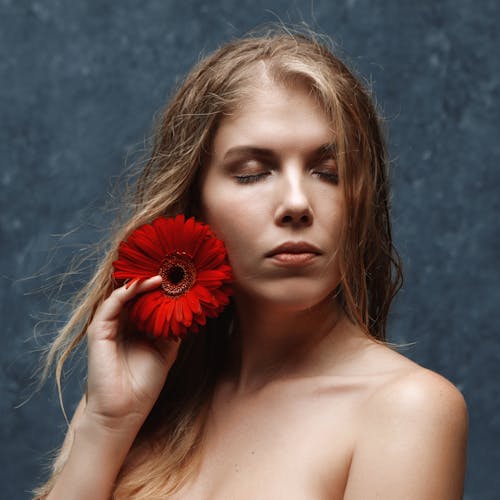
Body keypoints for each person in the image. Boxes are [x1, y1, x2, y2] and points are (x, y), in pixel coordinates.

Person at [34, 26, 468, 499]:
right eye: (252, 174)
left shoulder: (406, 410)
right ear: (195, 202)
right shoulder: (146, 397)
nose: (298, 203)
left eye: (329, 173)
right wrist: (105, 424)